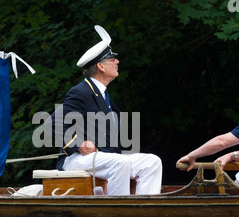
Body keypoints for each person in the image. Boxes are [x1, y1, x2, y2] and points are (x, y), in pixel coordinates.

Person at [50, 25, 162, 195]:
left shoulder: (104, 96)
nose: (117, 61)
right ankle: (118, 212)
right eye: (112, 59)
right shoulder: (81, 91)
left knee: (152, 161)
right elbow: (53, 123)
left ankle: (146, 209)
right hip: (76, 159)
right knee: (120, 163)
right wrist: (79, 143)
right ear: (101, 66)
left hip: (102, 159)